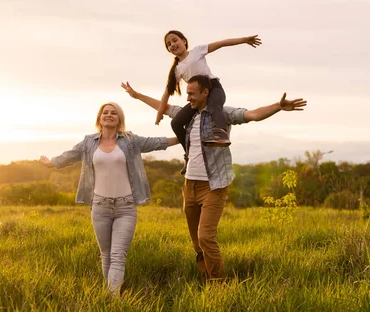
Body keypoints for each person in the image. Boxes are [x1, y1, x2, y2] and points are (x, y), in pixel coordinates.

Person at [122, 76, 306, 281]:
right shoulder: (189, 115)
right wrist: (137, 95)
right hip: (189, 185)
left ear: (205, 93)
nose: (188, 97)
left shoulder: (222, 114)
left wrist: (278, 106)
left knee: (206, 237)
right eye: (187, 93)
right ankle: (205, 278)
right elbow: (164, 108)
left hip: (213, 186)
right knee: (196, 243)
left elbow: (251, 114)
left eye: (192, 93)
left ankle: (220, 285)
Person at [40, 102, 179, 295]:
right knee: (106, 255)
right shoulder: (89, 142)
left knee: (118, 255)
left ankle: (114, 300)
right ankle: (109, 296)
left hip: (126, 207)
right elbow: (70, 155)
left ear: (119, 119)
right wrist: (52, 162)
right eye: (105, 112)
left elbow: (156, 142)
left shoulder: (129, 141)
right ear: (99, 118)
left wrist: (182, 137)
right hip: (100, 206)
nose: (109, 115)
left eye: (114, 113)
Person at [157, 30, 262, 173]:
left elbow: (221, 44)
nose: (172, 45)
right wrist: (159, 113)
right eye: (169, 44)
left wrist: (244, 40)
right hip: (197, 98)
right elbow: (166, 93)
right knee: (175, 123)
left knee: (213, 107)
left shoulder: (197, 51)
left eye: (174, 40)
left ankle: (220, 134)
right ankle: (188, 153)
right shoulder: (177, 69)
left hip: (213, 89)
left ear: (184, 40)